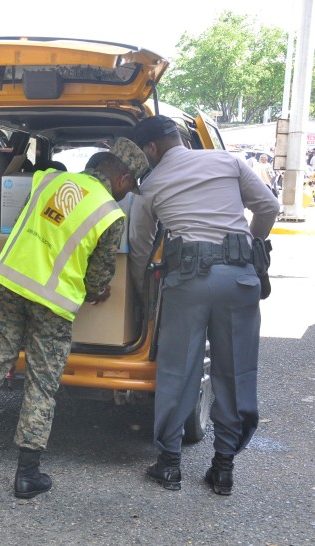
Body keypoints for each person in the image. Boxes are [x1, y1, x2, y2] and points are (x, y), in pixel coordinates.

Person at [0, 138, 150, 498]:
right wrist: (98, 290)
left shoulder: (46, 181)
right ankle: (27, 475)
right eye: (130, 185)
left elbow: (25, 224)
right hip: (52, 304)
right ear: (124, 179)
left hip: (8, 284)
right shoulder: (111, 214)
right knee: (41, 384)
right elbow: (98, 278)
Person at [128, 115, 280, 495]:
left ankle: (169, 466)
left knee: (179, 372)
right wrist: (250, 246)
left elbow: (140, 250)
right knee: (235, 372)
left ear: (151, 149)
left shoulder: (151, 185)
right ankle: (223, 468)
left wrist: (143, 298)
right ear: (177, 137)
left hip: (187, 283)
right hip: (240, 279)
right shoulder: (227, 161)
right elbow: (269, 207)